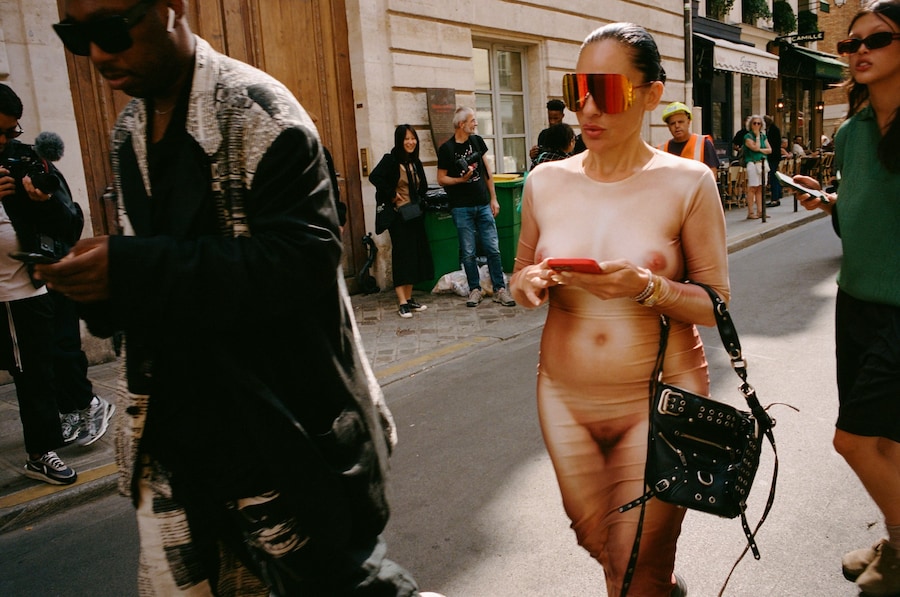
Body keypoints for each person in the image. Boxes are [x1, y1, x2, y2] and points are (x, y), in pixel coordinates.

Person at [43, 2, 432, 595]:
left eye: (111, 30)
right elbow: (152, 286)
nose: (98, 54)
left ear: (174, 9)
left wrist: (131, 268)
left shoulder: (261, 114)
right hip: (169, 439)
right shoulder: (128, 130)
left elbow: (301, 267)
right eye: (75, 37)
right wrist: (97, 288)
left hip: (277, 440)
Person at [509, 22, 728, 597]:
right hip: (562, 399)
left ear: (652, 95)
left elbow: (717, 306)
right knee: (603, 546)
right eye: (578, 86)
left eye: (605, 91)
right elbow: (519, 274)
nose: (586, 107)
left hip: (658, 396)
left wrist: (646, 287)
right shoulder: (544, 182)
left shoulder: (689, 182)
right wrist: (528, 282)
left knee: (632, 564)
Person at [794, 2, 900, 594]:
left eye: (877, 39)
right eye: (850, 42)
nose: (860, 49)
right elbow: (865, 216)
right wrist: (829, 201)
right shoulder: (854, 134)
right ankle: (896, 538)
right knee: (886, 438)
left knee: (853, 439)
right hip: (854, 302)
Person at [0, 83, 85, 486]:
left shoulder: (27, 163)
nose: (4, 141)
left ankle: (41, 453)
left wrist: (35, 200)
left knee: (36, 376)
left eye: (10, 132)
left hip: (23, 292)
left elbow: (69, 224)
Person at [437, 107, 516, 308]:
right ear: (461, 124)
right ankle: (475, 289)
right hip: (461, 207)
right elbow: (441, 179)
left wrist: (494, 198)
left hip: (482, 204)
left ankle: (500, 289)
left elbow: (487, 171)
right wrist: (460, 180)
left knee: (493, 248)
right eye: (472, 120)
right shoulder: (447, 149)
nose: (476, 124)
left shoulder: (477, 142)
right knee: (468, 251)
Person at [370, 125, 434, 318]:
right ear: (399, 141)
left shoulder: (415, 162)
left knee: (414, 255)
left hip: (414, 214)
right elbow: (375, 177)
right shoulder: (391, 160)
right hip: (398, 217)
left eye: (413, 138)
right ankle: (402, 302)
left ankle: (409, 297)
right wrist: (391, 194)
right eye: (406, 139)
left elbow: (422, 187)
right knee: (402, 256)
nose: (410, 142)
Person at [657, 101, 719, 172]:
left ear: (688, 122)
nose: (677, 126)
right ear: (668, 126)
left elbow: (712, 175)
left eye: (680, 122)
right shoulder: (661, 151)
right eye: (672, 123)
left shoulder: (704, 144)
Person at [743, 115, 771, 219]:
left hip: (763, 163)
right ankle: (750, 212)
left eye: (759, 123)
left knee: (760, 188)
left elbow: (770, 150)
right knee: (752, 188)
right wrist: (757, 137)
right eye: (754, 123)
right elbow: (755, 148)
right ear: (750, 124)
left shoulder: (764, 136)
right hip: (753, 163)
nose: (756, 125)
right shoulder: (748, 137)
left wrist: (759, 150)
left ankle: (760, 211)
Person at [764, 115, 783, 207]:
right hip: (774, 157)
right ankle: (778, 195)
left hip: (773, 157)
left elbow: (772, 145)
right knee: (774, 176)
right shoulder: (773, 129)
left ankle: (775, 198)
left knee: (773, 177)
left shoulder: (773, 130)